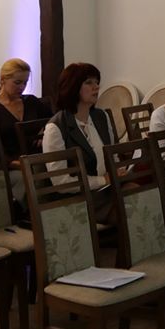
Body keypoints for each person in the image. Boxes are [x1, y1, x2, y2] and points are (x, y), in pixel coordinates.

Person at [42, 63, 117, 222]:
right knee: (130, 208)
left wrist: (119, 171)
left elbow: (112, 154)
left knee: (143, 193)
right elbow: (61, 182)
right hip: (79, 198)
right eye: (89, 82)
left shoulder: (101, 116)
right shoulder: (55, 128)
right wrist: (103, 180)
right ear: (72, 87)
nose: (96, 87)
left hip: (106, 189)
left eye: (97, 82)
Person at [0, 58, 51, 165]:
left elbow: (53, 120)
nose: (22, 87)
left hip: (38, 158)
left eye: (25, 83)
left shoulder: (31, 101)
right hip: (10, 164)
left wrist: (45, 132)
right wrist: (13, 163)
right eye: (17, 83)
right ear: (3, 80)